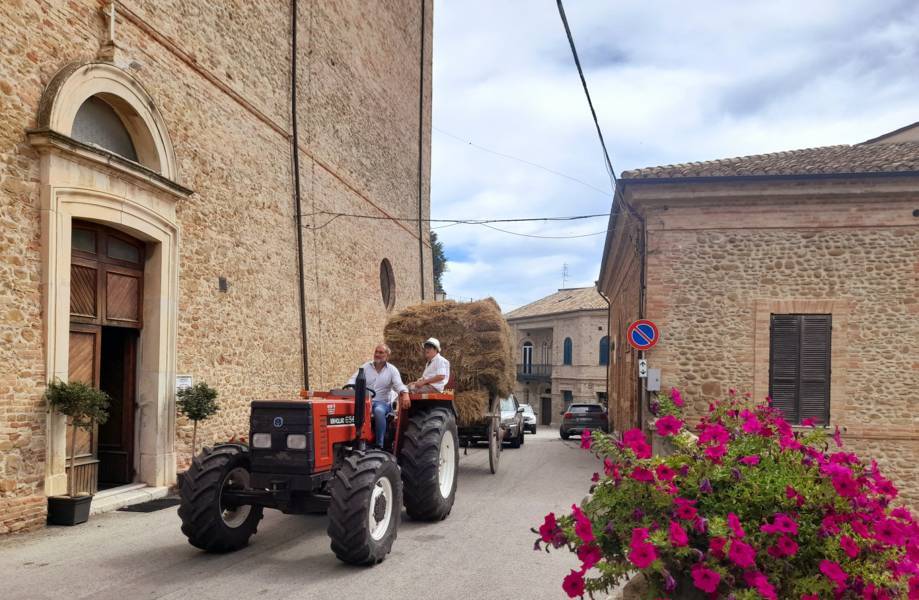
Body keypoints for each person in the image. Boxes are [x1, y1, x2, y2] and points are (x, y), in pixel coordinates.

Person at [347, 343, 410, 448]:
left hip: (382, 403)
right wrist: (350, 388)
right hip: (365, 401)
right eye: (376, 352)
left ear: (387, 356)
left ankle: (379, 444)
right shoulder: (365, 367)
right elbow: (353, 379)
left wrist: (405, 393)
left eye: (381, 352)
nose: (377, 354)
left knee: (378, 411)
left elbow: (399, 385)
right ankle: (353, 440)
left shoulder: (392, 370)